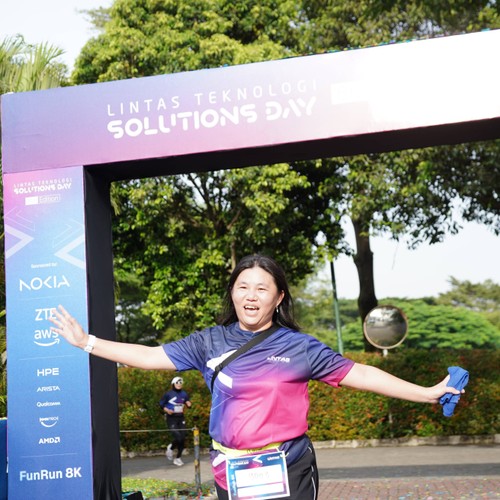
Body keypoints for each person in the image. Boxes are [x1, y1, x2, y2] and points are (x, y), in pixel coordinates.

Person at [50, 254, 464, 500]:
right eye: (243, 286)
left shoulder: (300, 346)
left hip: (288, 467)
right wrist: (88, 342)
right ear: (232, 292)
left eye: (262, 289)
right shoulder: (209, 341)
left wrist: (427, 393)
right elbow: (149, 356)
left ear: (279, 297)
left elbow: (361, 373)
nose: (251, 296)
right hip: (230, 470)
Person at [159, 376, 192, 466]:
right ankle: (171, 448)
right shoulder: (168, 394)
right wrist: (167, 410)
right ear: (173, 384)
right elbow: (161, 404)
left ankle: (178, 458)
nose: (179, 384)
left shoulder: (184, 394)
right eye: (177, 383)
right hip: (171, 417)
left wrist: (189, 404)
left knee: (183, 438)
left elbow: (187, 402)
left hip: (181, 417)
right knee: (178, 437)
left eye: (180, 383)